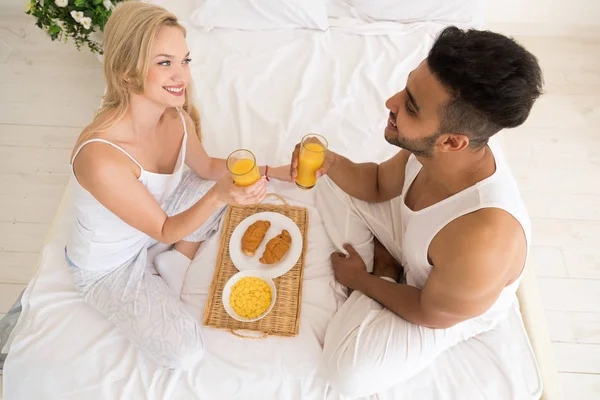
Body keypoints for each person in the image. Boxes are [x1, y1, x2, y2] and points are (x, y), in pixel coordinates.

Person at [290, 26, 543, 397]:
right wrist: (330, 161)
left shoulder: (485, 240)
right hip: (414, 244)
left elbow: (429, 312)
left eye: (409, 105)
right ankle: (387, 259)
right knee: (328, 178)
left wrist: (363, 280)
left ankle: (388, 267)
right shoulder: (429, 149)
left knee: (344, 373)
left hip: (438, 304)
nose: (390, 102)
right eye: (406, 89)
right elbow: (377, 183)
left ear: (452, 142)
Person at [66, 2, 289, 371]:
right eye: (164, 62)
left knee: (225, 188)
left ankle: (175, 260)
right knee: (184, 353)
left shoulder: (176, 118)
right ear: (127, 74)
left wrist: (273, 170)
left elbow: (206, 167)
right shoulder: (102, 158)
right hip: (109, 266)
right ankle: (173, 258)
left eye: (185, 61)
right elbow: (165, 228)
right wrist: (220, 196)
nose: (181, 76)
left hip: (156, 220)